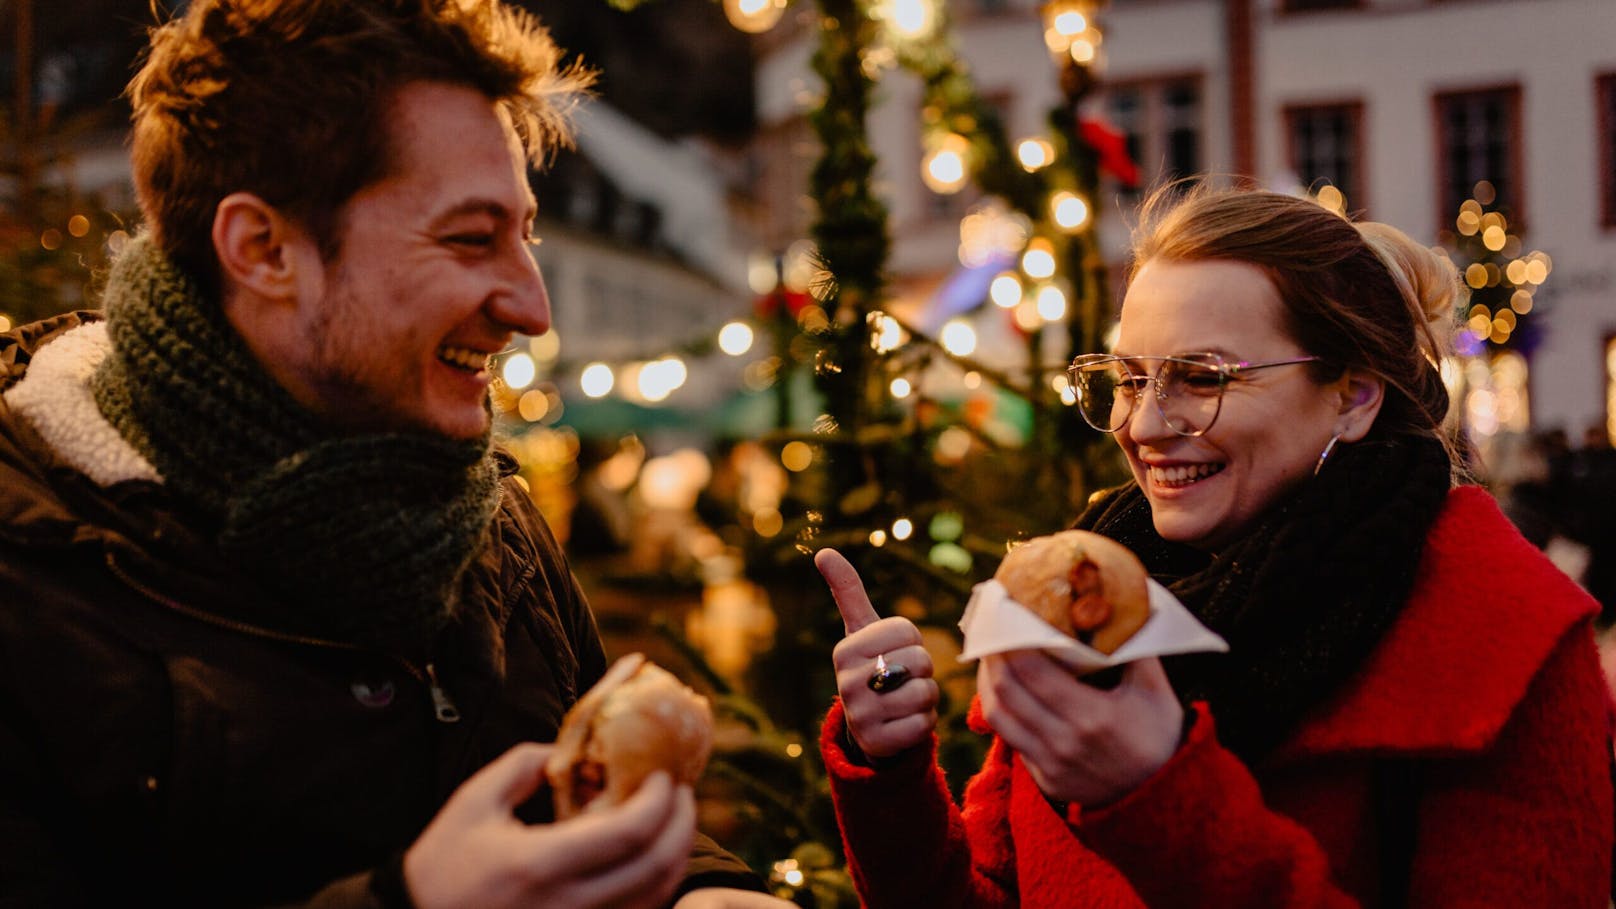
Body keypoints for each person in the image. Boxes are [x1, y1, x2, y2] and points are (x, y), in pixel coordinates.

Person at [0, 2, 794, 907]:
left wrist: (700, 890)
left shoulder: (489, 515)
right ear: (262, 248)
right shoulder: (33, 573)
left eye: (525, 232)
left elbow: (591, 810)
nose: (534, 307)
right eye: (469, 237)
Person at [814, 184, 1614, 906]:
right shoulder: (1084, 596)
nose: (1144, 424)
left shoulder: (1505, 642)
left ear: (1353, 396)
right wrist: (889, 773)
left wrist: (1160, 796)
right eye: (1129, 378)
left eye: (1202, 377)